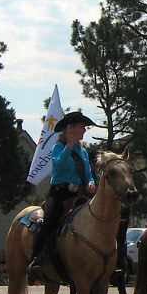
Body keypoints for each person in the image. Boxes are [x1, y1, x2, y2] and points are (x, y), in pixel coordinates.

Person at [28, 111, 96, 278]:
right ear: (70, 129)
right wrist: (69, 147)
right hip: (59, 193)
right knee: (49, 220)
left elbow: (88, 173)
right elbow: (59, 166)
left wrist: (91, 182)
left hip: (79, 194)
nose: (84, 130)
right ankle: (36, 259)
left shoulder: (84, 152)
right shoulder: (58, 148)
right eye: (81, 127)